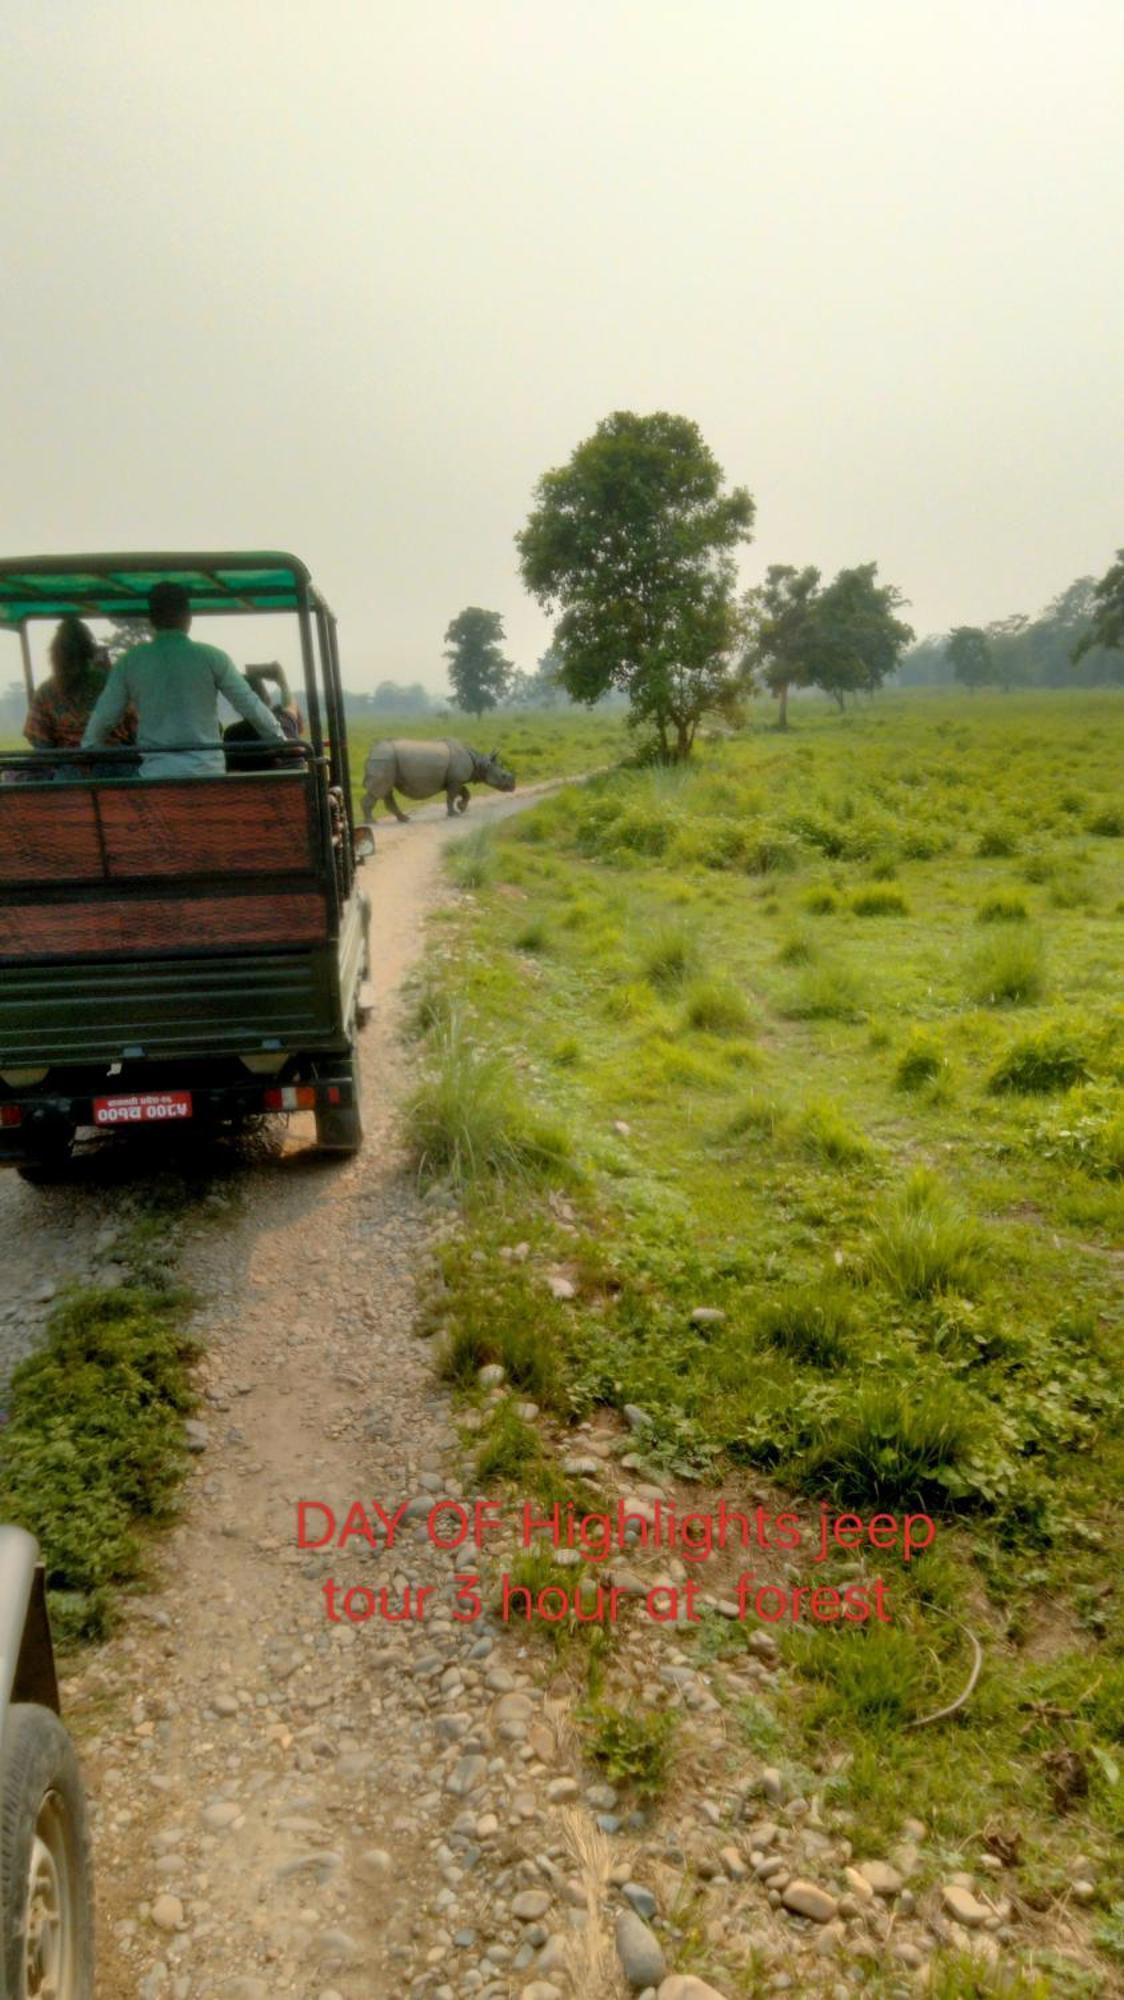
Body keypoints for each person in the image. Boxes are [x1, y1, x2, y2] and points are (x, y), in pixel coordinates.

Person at [81, 582, 285, 779]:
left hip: (156, 776)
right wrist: (281, 742)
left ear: (152, 618)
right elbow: (249, 704)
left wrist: (87, 750)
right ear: (188, 618)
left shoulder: (129, 661)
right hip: (208, 774)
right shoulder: (212, 657)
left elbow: (104, 717)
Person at [24, 617, 137, 758]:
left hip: (68, 769)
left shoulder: (45, 692)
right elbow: (135, 732)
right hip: (114, 764)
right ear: (89, 653)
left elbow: (41, 742)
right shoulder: (112, 684)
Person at [223, 662, 304, 771]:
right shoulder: (283, 719)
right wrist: (282, 682)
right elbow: (291, 704)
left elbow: (231, 771)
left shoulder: (232, 734)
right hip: (296, 786)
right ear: (267, 697)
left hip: (253, 786)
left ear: (237, 705)